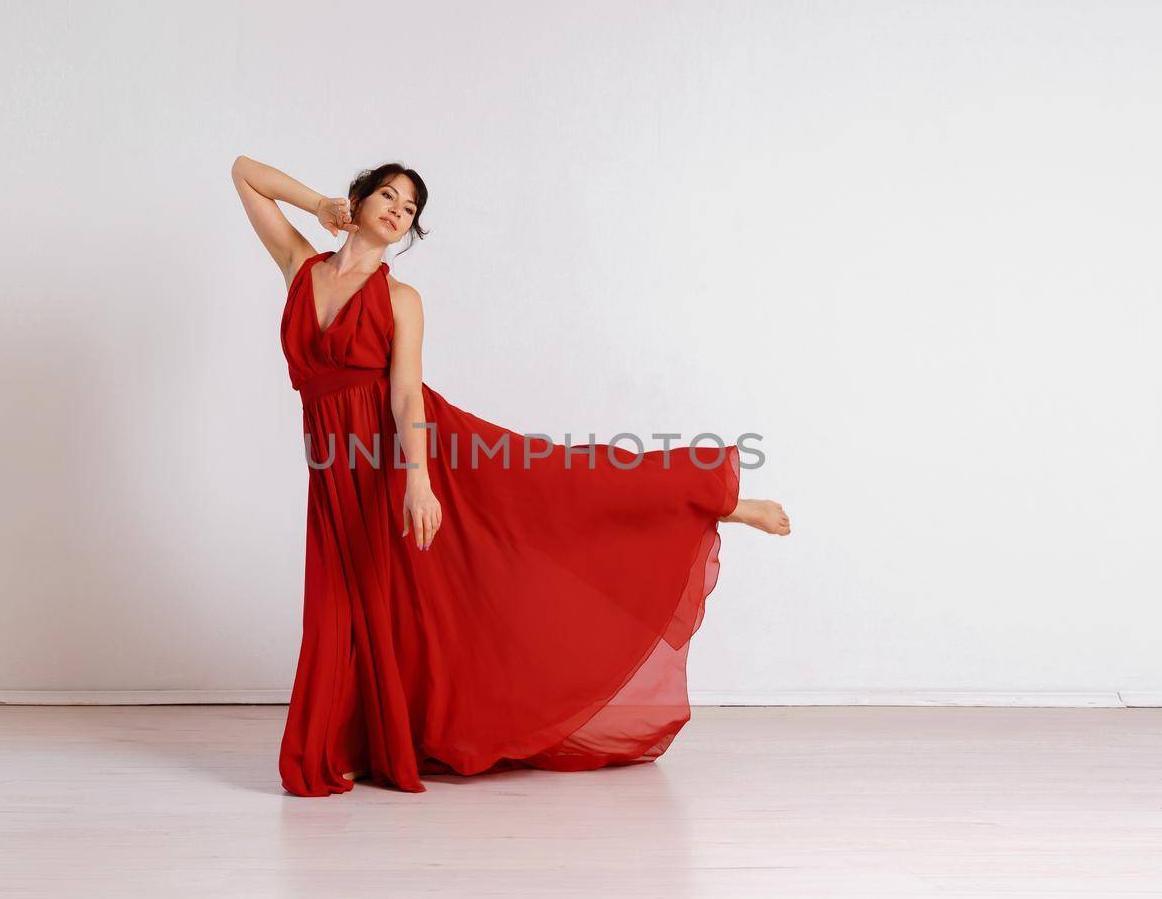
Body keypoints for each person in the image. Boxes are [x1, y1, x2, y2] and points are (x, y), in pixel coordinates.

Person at [231, 156, 791, 797]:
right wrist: (317, 203)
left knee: (554, 488)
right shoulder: (300, 269)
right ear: (357, 199)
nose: (396, 211)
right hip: (335, 465)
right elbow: (245, 172)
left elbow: (406, 398)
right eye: (387, 196)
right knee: (353, 597)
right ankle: (363, 738)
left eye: (409, 209)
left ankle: (714, 499)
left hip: (406, 453)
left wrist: (420, 482)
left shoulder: (400, 299)